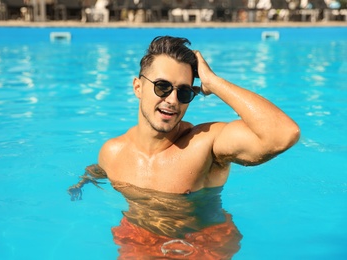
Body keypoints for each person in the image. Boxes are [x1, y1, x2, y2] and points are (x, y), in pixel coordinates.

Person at [69, 36, 300, 258]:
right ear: (138, 87)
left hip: (202, 244)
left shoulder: (206, 144)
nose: (172, 100)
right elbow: (100, 169)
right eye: (162, 87)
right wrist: (85, 179)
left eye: (184, 92)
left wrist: (214, 83)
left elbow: (282, 134)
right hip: (139, 240)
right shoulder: (112, 152)